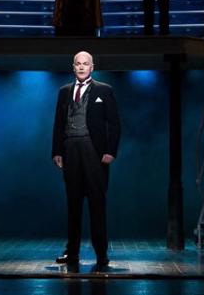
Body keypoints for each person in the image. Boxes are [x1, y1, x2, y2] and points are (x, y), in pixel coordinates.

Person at [52, 51, 120, 273]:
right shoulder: (64, 91)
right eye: (78, 64)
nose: (81, 67)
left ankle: (102, 254)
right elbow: (58, 123)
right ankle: (72, 252)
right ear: (73, 67)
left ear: (92, 67)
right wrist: (57, 151)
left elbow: (114, 124)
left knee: (97, 203)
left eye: (85, 64)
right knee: (73, 203)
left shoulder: (104, 90)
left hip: (93, 150)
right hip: (70, 148)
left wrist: (110, 151)